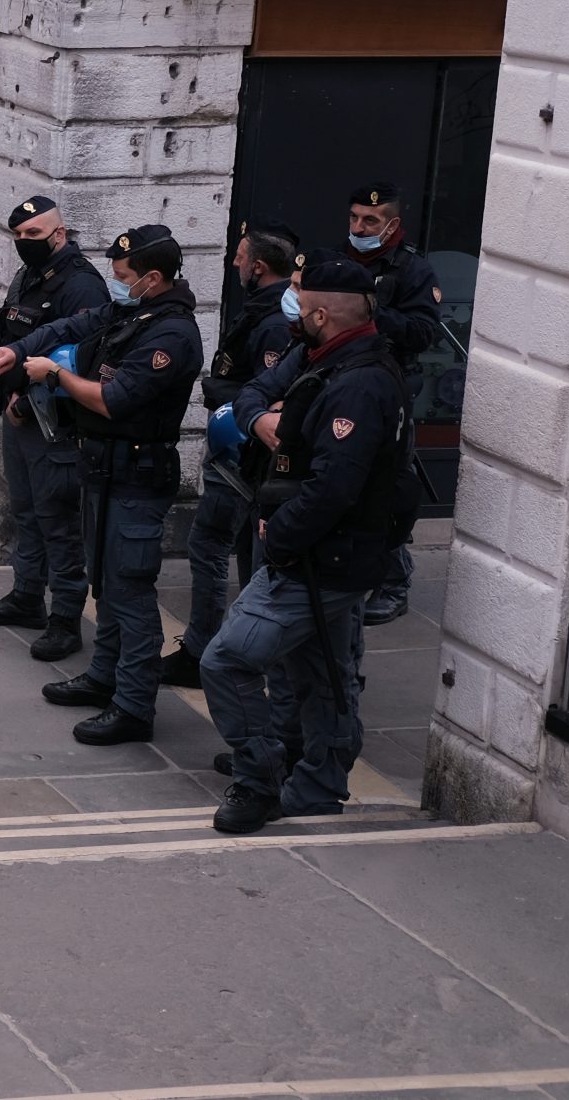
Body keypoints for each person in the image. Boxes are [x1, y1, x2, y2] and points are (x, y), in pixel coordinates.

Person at [202, 254, 410, 833]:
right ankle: (317, 786)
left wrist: (281, 533)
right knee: (322, 674)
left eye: (298, 295)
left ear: (321, 313)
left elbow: (334, 487)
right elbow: (250, 395)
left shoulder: (360, 381)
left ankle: (259, 779)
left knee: (227, 660)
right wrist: (262, 418)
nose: (288, 304)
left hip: (321, 557)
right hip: (322, 555)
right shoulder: (323, 354)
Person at [0, 224, 203, 744]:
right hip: (103, 468)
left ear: (152, 278)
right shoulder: (134, 311)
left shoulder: (171, 334)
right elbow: (74, 324)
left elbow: (114, 398)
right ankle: (104, 676)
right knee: (105, 585)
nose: (117, 284)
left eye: (124, 277)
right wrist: (20, 353)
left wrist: (55, 377)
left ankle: (133, 705)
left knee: (130, 590)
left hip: (137, 473)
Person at [0, 196, 110, 663]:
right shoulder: (31, 275)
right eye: (20, 236)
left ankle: (65, 619)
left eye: (35, 235)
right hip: (17, 412)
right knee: (25, 511)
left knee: (58, 521)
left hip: (53, 424)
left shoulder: (82, 287)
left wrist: (25, 404)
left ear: (60, 235)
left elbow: (80, 360)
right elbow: (6, 325)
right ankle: (27, 595)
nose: (26, 243)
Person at [161, 221, 299, 688]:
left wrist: (221, 391)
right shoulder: (261, 310)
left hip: (242, 455)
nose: (235, 263)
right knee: (234, 550)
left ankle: (207, 648)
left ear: (258, 266)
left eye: (240, 257)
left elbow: (261, 393)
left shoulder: (275, 322)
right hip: (236, 446)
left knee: (212, 545)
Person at [343, 183, 442, 625]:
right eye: (355, 218)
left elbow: (424, 333)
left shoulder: (413, 271)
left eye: (371, 221)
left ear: (392, 225)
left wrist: (373, 311)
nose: (359, 227)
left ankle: (393, 581)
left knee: (387, 484)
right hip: (340, 378)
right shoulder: (339, 258)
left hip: (389, 384)